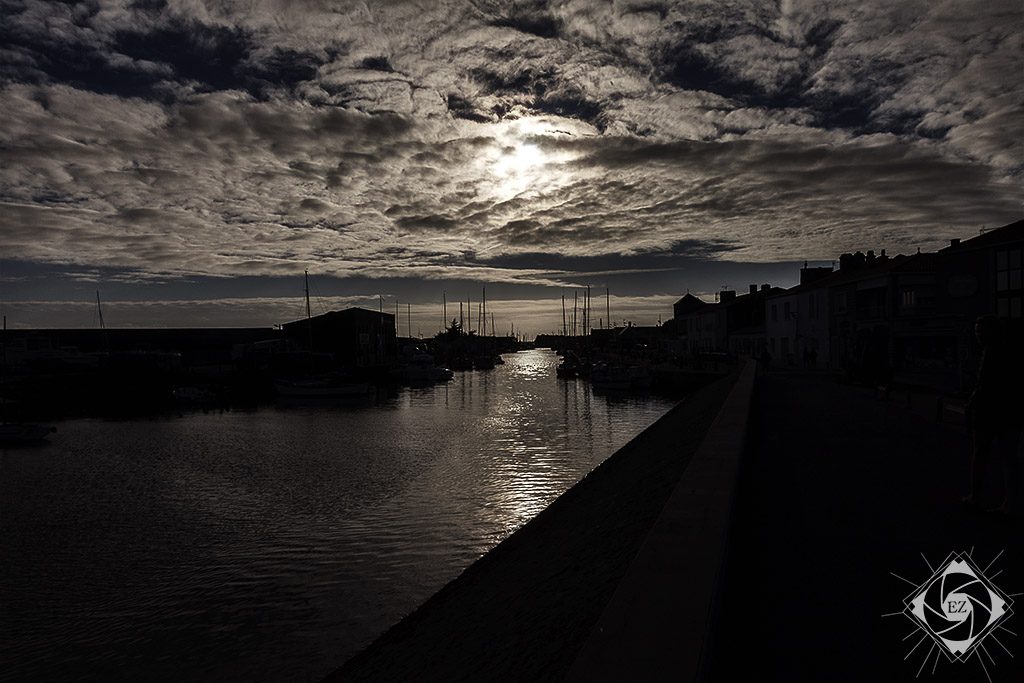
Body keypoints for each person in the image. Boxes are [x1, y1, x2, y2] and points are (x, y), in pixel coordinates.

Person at [963, 316, 1021, 514]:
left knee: (981, 453)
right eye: (976, 331)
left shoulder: (990, 353)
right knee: (1009, 458)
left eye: (980, 331)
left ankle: (976, 496)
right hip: (1010, 413)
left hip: (988, 413)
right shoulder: (1010, 352)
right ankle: (1010, 502)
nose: (978, 335)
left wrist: (971, 405)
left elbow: (983, 386)